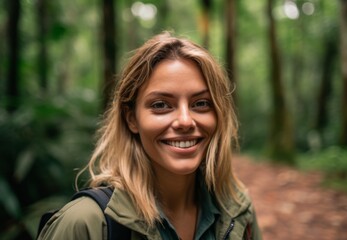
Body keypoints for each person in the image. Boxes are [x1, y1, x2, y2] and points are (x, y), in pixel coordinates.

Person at [38, 31, 262, 240]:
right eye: (161, 105)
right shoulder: (86, 223)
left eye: (201, 103)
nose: (185, 120)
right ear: (131, 119)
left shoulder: (237, 211)